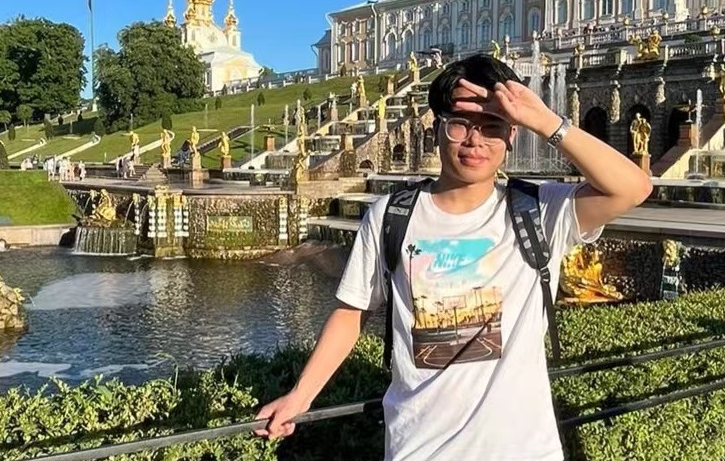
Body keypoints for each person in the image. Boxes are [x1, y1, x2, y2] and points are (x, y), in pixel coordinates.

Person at [255, 54, 651, 459]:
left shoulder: (539, 210)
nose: (475, 140)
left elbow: (633, 187)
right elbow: (351, 313)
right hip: (420, 449)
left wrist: (544, 120)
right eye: (460, 123)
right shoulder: (392, 216)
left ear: (512, 135)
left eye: (492, 125)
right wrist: (301, 396)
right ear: (437, 130)